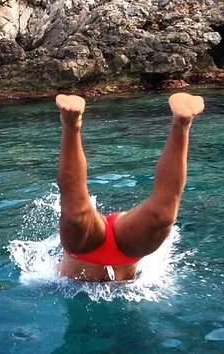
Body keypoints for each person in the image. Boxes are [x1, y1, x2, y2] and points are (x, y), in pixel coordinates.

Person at [55, 92, 205, 281]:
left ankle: (181, 122)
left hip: (109, 249)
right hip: (97, 249)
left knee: (161, 218)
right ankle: (71, 123)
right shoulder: (43, 281)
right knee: (162, 216)